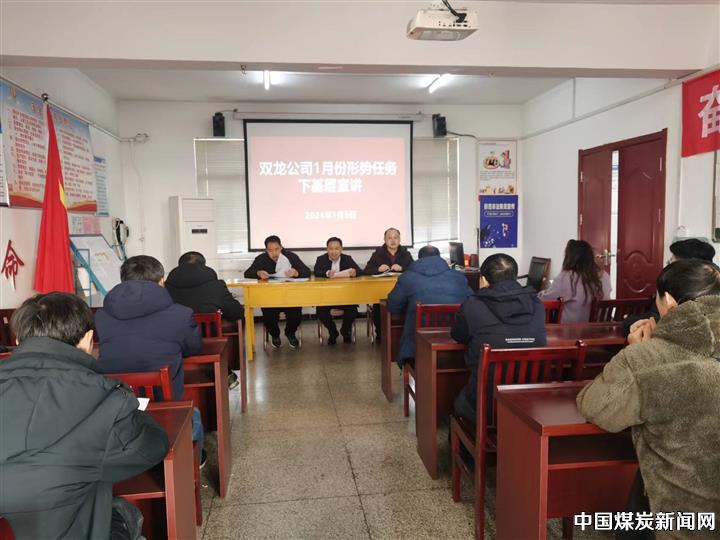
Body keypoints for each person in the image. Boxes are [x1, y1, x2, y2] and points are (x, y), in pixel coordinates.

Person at [0, 292, 169, 540]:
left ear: (18, 339)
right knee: (122, 511)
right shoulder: (103, 399)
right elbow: (152, 447)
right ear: (89, 340)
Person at [577, 259, 720, 540]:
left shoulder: (647, 358)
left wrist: (634, 354)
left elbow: (596, 407)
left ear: (669, 302)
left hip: (675, 513)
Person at [95, 255, 206, 463]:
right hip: (165, 404)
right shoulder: (180, 314)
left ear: (123, 281)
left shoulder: (101, 316)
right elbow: (194, 348)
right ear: (161, 281)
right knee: (195, 416)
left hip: (117, 405)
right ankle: (192, 463)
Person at [451, 254, 547, 423]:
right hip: (529, 403)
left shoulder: (473, 305)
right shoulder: (537, 304)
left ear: (484, 280)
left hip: (485, 403)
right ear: (515, 277)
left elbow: (458, 335)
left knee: (458, 402)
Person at [166, 250, 243, 389]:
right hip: (210, 346)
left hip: (175, 347)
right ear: (204, 266)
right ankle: (223, 372)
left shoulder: (166, 288)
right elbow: (236, 313)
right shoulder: (216, 285)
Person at [387, 245, 472, 365]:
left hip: (416, 348)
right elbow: (471, 303)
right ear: (439, 257)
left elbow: (393, 306)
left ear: (419, 259)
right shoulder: (459, 277)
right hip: (458, 345)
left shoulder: (407, 277)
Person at [623, 237, 716, 337]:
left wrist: (628, 321)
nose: (667, 268)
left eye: (671, 263)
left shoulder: (674, 289)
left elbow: (653, 322)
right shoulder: (714, 285)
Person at [244, 235, 311, 348]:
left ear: (281, 247)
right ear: (266, 250)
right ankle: (275, 335)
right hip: (270, 298)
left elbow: (307, 271)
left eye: (276, 249)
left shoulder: (291, 256)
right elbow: (247, 273)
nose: (274, 253)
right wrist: (258, 273)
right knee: (268, 316)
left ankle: (290, 333)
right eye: (270, 250)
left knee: (295, 314)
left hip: (289, 296)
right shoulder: (261, 258)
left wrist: (297, 273)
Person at [539, 239, 612, 323]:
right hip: (601, 327)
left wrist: (541, 293)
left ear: (570, 258)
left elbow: (545, 299)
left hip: (572, 329)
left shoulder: (568, 277)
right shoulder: (604, 275)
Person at [364, 228, 414, 342]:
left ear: (399, 239)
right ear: (384, 239)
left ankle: (401, 335)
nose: (393, 240)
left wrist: (402, 268)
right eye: (389, 238)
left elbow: (414, 269)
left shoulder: (405, 253)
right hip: (381, 292)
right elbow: (366, 270)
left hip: (401, 291)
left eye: (395, 237)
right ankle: (381, 334)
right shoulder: (377, 254)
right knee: (378, 307)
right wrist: (378, 269)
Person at [314, 236, 362, 345]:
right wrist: (327, 273)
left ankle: (345, 331)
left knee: (352, 310)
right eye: (331, 248)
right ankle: (333, 332)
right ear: (327, 249)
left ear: (341, 249)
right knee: (321, 311)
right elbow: (316, 271)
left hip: (345, 296)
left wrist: (355, 272)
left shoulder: (347, 259)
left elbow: (360, 271)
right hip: (327, 296)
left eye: (336, 248)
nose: (334, 251)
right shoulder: (321, 259)